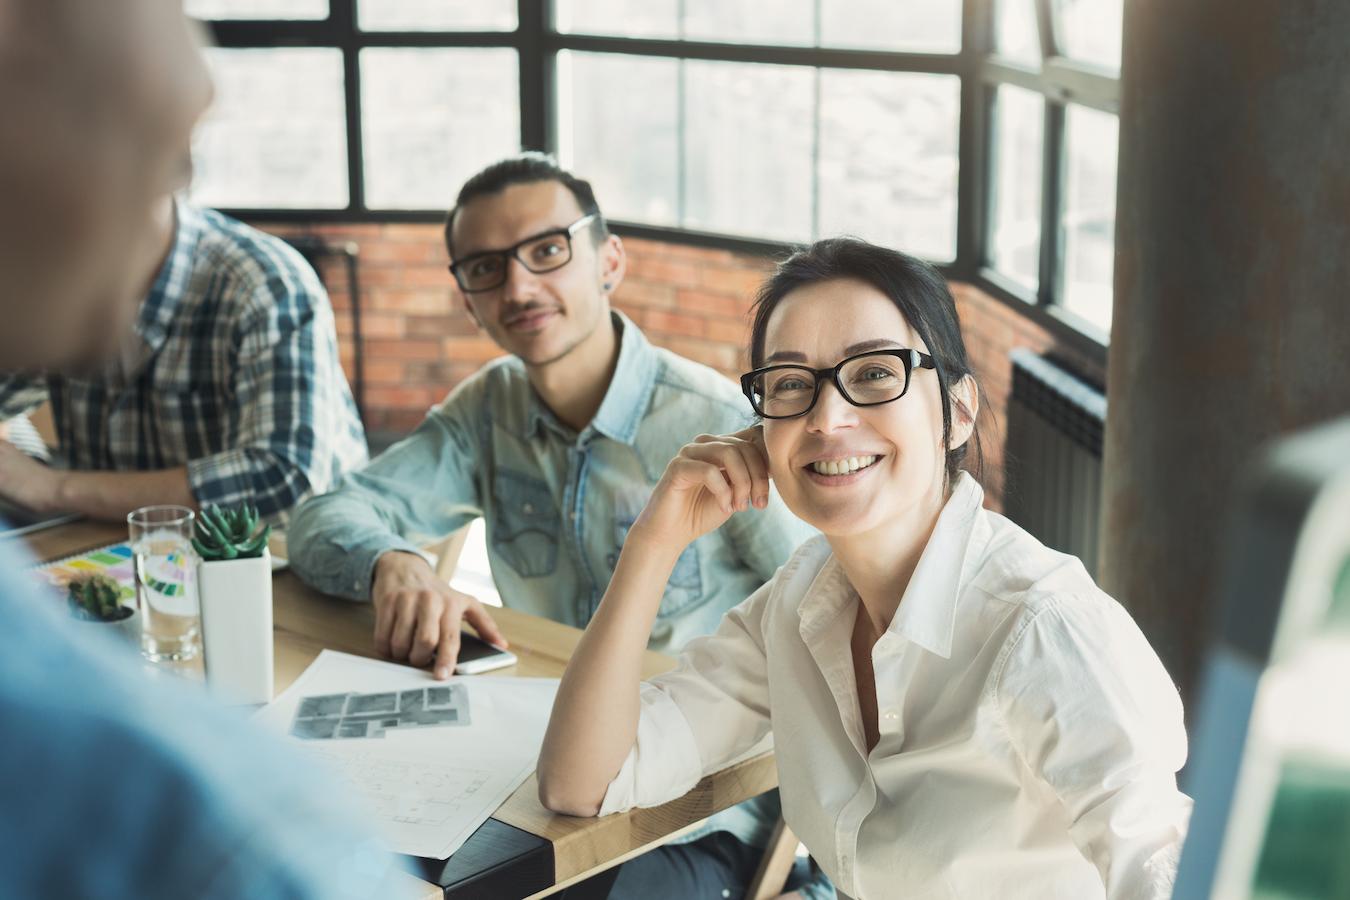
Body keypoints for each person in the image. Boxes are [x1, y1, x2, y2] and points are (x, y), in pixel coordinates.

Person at [539, 238, 1193, 900]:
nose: (828, 417)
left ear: (957, 413)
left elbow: (1166, 870)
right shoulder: (798, 604)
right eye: (791, 384)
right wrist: (653, 542)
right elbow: (585, 782)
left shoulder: (1043, 629)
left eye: (876, 373)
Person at [288, 153, 830, 899]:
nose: (518, 286)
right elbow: (323, 516)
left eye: (547, 251)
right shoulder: (487, 411)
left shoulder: (719, 428)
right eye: (485, 268)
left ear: (608, 259)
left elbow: (833, 631)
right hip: (528, 782)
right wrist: (393, 562)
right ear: (467, 300)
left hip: (690, 815)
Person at [0, 3, 391, 896]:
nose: (202, 89)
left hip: (273, 629)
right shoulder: (223, 831)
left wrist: (47, 480)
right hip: (146, 640)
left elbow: (283, 478)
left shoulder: (259, 282)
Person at [0, 193, 368, 525]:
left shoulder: (266, 283)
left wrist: (53, 487)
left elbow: (282, 478)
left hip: (290, 562)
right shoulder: (62, 278)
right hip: (120, 558)